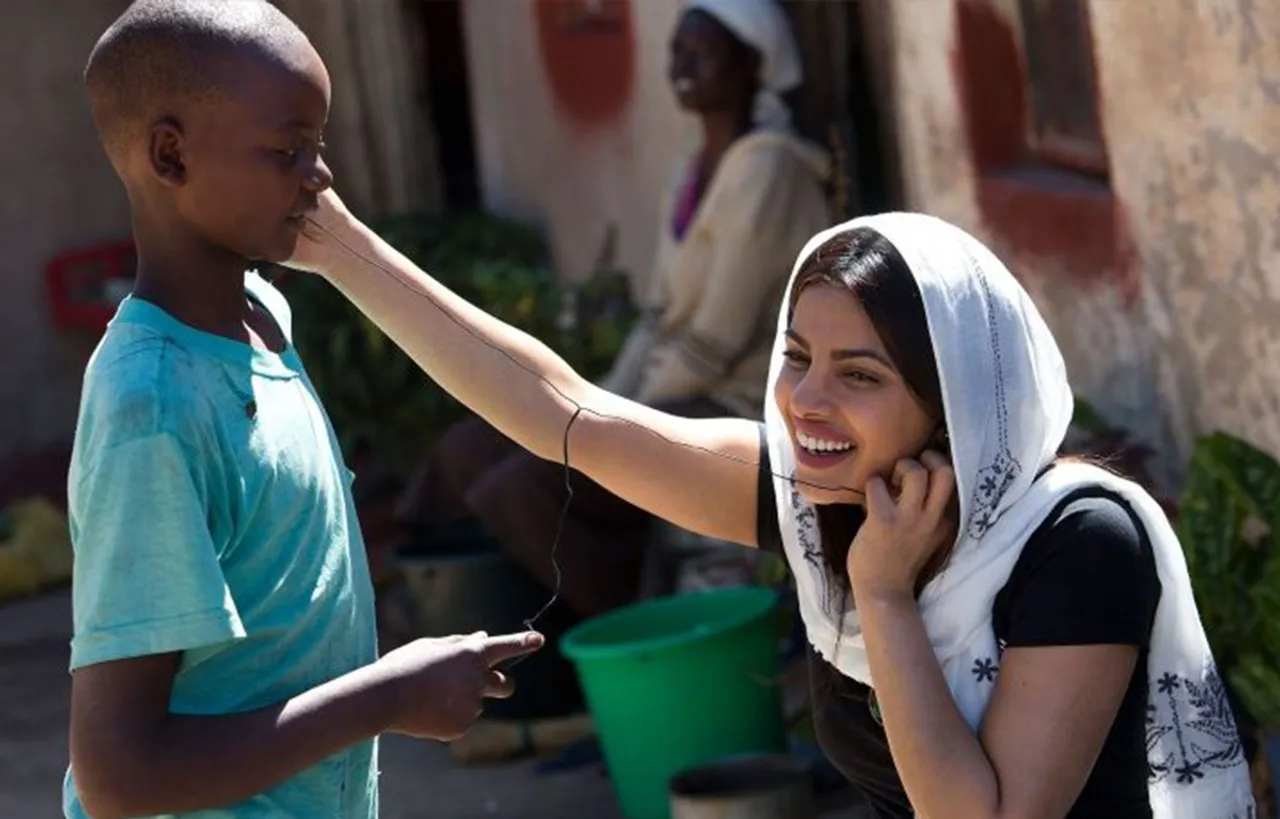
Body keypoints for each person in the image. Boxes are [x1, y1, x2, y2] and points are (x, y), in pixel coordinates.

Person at [292, 197, 1255, 818]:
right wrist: (335, 244)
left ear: (952, 398)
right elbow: (562, 413)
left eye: (860, 373)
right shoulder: (818, 498)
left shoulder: (1080, 541)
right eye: (798, 357)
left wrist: (879, 598)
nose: (805, 401)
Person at [66, 3, 542, 818]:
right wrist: (385, 697)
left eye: (318, 146)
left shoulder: (261, 313)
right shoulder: (149, 409)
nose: (318, 176)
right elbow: (120, 775)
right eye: (288, 151)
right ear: (170, 155)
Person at [393, 0, 831, 619]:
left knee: (531, 481)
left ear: (751, 64)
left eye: (701, 50)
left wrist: (615, 422)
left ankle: (616, 623)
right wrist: (588, 403)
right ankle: (413, 599)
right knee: (473, 446)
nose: (681, 64)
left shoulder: (770, 169)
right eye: (677, 48)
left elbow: (717, 337)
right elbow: (659, 313)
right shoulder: (690, 172)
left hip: (733, 399)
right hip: (672, 389)